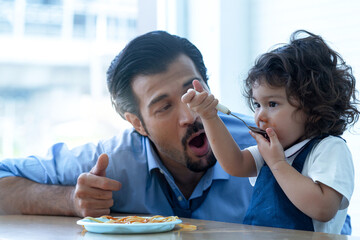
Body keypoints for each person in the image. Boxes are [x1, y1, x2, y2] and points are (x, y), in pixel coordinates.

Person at [0, 31, 257, 223]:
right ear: (137, 124)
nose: (189, 116)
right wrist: (70, 200)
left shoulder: (263, 142)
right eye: (164, 107)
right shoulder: (112, 161)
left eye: (192, 91)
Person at [181, 30, 359, 234]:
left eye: (272, 104)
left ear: (312, 107)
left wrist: (278, 164)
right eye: (257, 104)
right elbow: (234, 164)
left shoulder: (329, 149)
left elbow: (323, 208)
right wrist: (209, 116)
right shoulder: (273, 149)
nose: (260, 116)